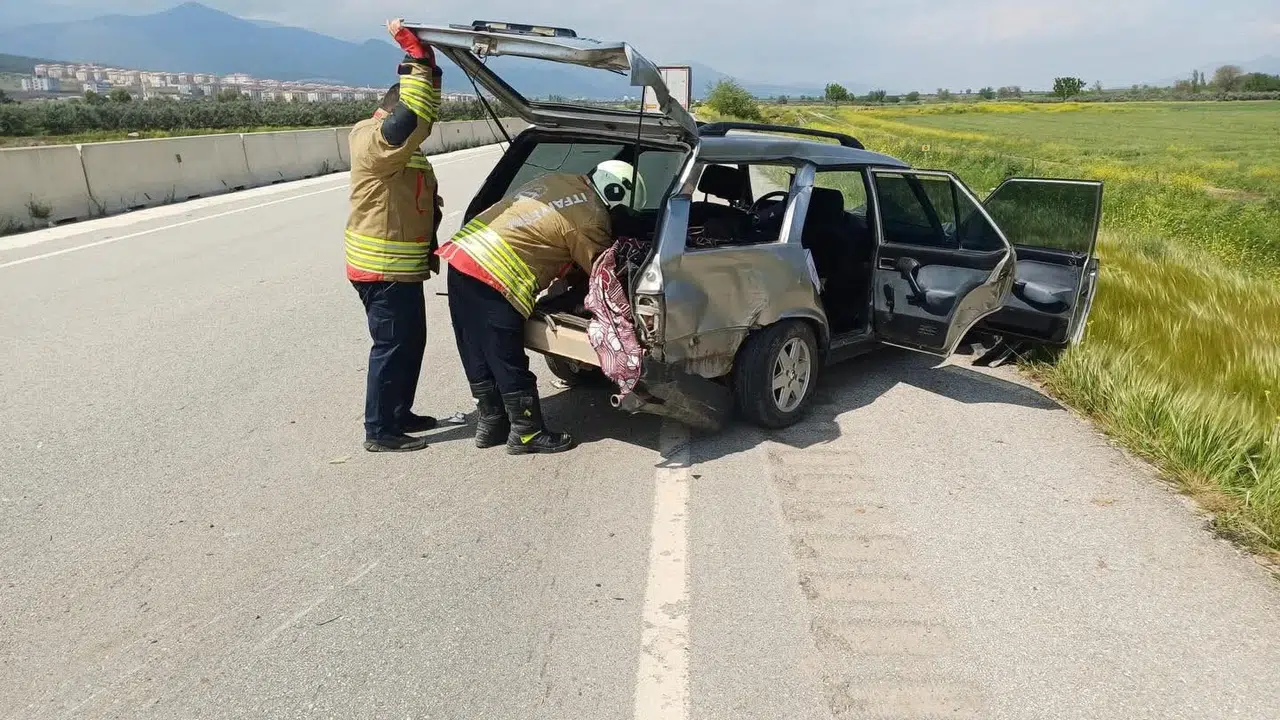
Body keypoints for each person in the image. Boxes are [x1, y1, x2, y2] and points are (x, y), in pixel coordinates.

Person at [437, 161, 647, 455]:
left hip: (463, 257)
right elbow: (601, 274)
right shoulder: (590, 217)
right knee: (504, 354)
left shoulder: (562, 178)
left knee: (476, 347)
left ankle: (492, 423)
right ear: (615, 193)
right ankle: (527, 433)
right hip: (494, 274)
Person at [345, 19, 444, 453]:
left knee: (410, 343)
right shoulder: (373, 139)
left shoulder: (403, 150)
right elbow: (415, 117)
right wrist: (418, 61)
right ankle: (379, 429)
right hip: (380, 271)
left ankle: (400, 412)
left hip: (401, 270)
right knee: (391, 346)